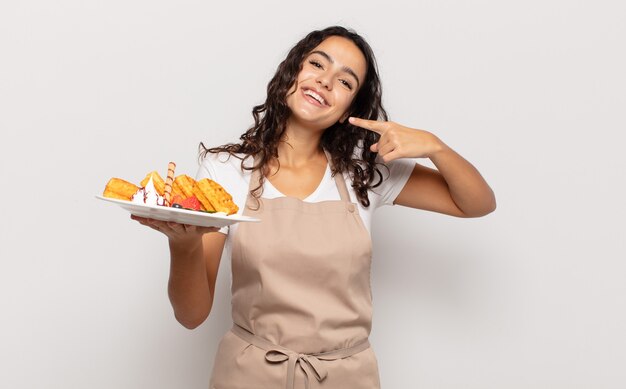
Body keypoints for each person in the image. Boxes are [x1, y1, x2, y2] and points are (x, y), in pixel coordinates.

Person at [132, 26, 495, 389]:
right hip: (249, 376)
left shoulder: (365, 170)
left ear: (347, 111)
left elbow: (477, 204)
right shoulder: (225, 171)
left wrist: (435, 146)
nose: (324, 81)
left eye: (345, 82)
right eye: (317, 64)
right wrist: (182, 244)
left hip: (346, 377)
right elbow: (192, 315)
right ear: (291, 73)